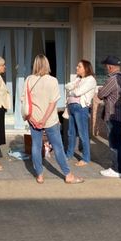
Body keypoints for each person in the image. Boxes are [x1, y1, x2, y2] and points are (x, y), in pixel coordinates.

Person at [22, 54, 84, 184]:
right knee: (58, 147)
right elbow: (53, 103)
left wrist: (32, 118)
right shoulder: (52, 80)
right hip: (50, 120)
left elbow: (24, 100)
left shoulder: (28, 80)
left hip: (33, 119)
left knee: (36, 146)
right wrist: (44, 119)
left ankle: (39, 175)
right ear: (47, 64)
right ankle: (68, 175)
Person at [97, 56, 121, 178]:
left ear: (110, 67)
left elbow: (101, 94)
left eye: (106, 66)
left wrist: (101, 90)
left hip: (113, 114)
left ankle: (116, 169)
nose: (106, 68)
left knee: (114, 142)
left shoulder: (112, 79)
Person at [64, 59, 97, 166]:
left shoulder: (90, 79)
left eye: (79, 66)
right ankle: (69, 154)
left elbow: (78, 92)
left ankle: (86, 158)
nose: (76, 68)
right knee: (71, 132)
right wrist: (72, 89)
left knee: (83, 133)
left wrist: (72, 91)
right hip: (71, 107)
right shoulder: (78, 79)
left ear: (85, 68)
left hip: (80, 108)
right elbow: (67, 86)